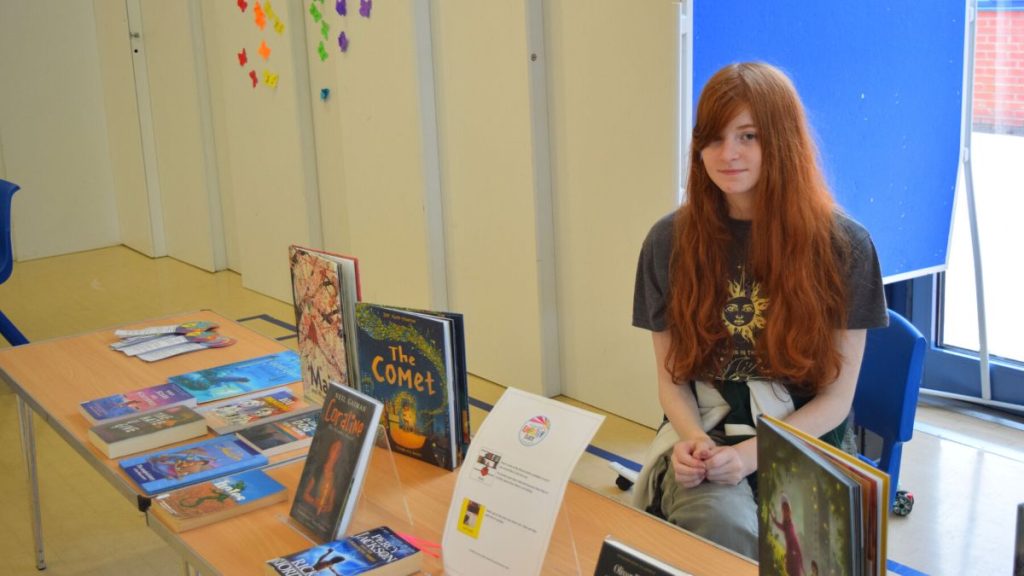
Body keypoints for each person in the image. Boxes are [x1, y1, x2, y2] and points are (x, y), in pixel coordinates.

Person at [631, 62, 887, 559]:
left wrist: (750, 455)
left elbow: (835, 402)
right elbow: (670, 380)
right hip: (705, 437)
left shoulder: (845, 247)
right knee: (718, 526)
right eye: (714, 137)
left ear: (782, 140)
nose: (728, 154)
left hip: (805, 441)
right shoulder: (668, 241)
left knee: (801, 548)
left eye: (748, 135)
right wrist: (693, 443)